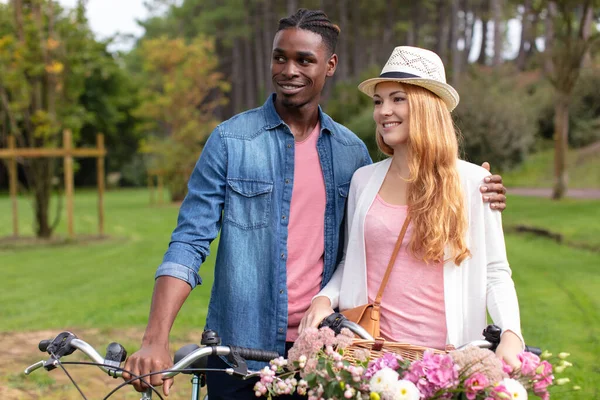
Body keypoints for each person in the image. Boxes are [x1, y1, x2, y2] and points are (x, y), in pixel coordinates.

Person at [123, 11, 509, 399]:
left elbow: (372, 241)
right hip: (239, 349)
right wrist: (156, 337)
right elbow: (189, 241)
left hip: (327, 351)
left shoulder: (350, 154)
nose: (289, 70)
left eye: (304, 60)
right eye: (279, 57)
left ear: (330, 65)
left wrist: (476, 188)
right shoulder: (230, 141)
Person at [299, 46, 524, 368]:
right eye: (379, 101)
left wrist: (511, 335)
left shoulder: (475, 182)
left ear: (426, 107)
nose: (383, 111)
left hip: (446, 361)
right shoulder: (363, 181)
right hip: (367, 357)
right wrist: (324, 299)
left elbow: (495, 271)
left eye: (397, 98)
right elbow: (353, 260)